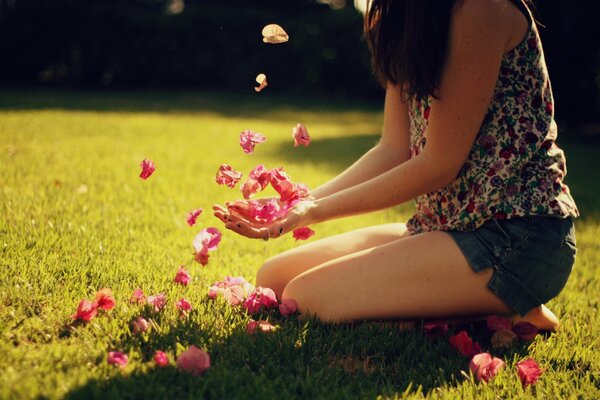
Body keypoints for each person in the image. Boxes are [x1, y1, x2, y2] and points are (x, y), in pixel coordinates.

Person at [214, 0, 578, 331]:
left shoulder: (481, 9)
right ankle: (491, 308)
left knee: (308, 299)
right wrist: (296, 204)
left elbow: (439, 164)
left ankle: (506, 307)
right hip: (443, 227)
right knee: (273, 279)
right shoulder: (398, 16)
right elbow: (394, 147)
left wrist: (314, 211)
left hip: (516, 237)